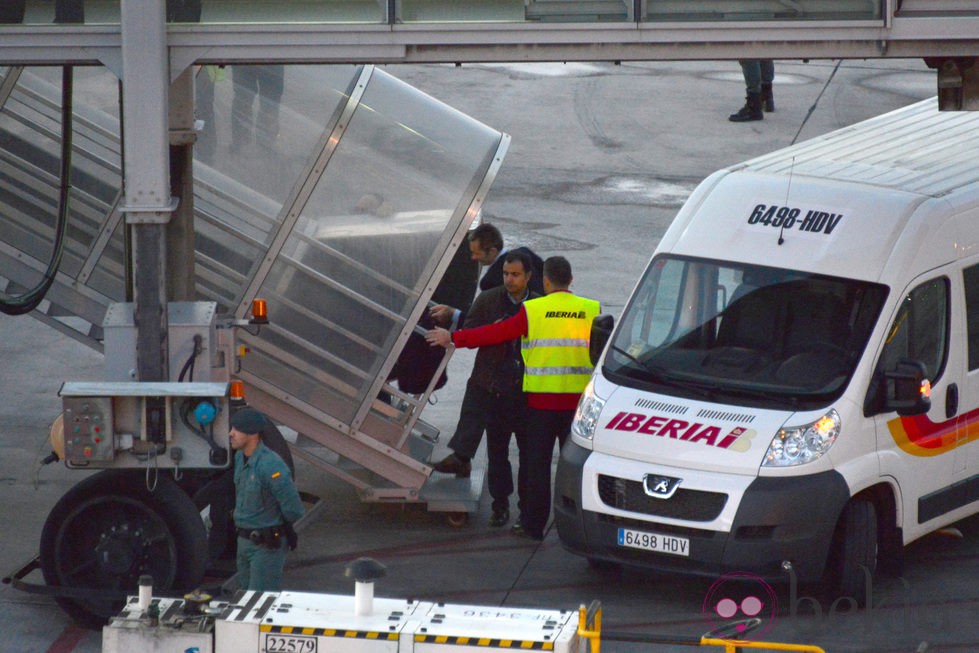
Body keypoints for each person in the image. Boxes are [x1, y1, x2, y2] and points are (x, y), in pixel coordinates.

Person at [427, 256, 600, 541]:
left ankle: (533, 525)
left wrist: (454, 338)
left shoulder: (534, 310)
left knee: (538, 468)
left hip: (540, 404)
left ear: (543, 280)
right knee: (575, 469)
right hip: (578, 409)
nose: (509, 279)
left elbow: (495, 333)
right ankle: (583, 528)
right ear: (571, 280)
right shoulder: (592, 309)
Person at [431, 251, 541, 527]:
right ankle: (500, 505)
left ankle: (526, 509)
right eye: (505, 274)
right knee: (498, 453)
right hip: (494, 387)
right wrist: (490, 334)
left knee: (528, 457)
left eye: (515, 275)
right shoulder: (489, 300)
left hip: (527, 392)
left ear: (528, 276)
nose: (509, 280)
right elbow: (471, 331)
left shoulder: (540, 306)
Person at [230, 408, 304, 592]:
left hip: (265, 546)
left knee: (259, 602)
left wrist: (274, 525)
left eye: (236, 429)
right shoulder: (240, 458)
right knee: (244, 600)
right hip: (244, 542)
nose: (231, 433)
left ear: (252, 433)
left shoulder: (271, 465)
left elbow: (293, 509)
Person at [430, 223, 544, 329]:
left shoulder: (490, 281)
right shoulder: (524, 252)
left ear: (492, 251)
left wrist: (452, 313)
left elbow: (484, 324)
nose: (473, 258)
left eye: (477, 253)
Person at [231, 65, 285, 152]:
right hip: (268, 58)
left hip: (250, 58)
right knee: (244, 100)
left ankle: (263, 145)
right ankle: (243, 143)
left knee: (268, 103)